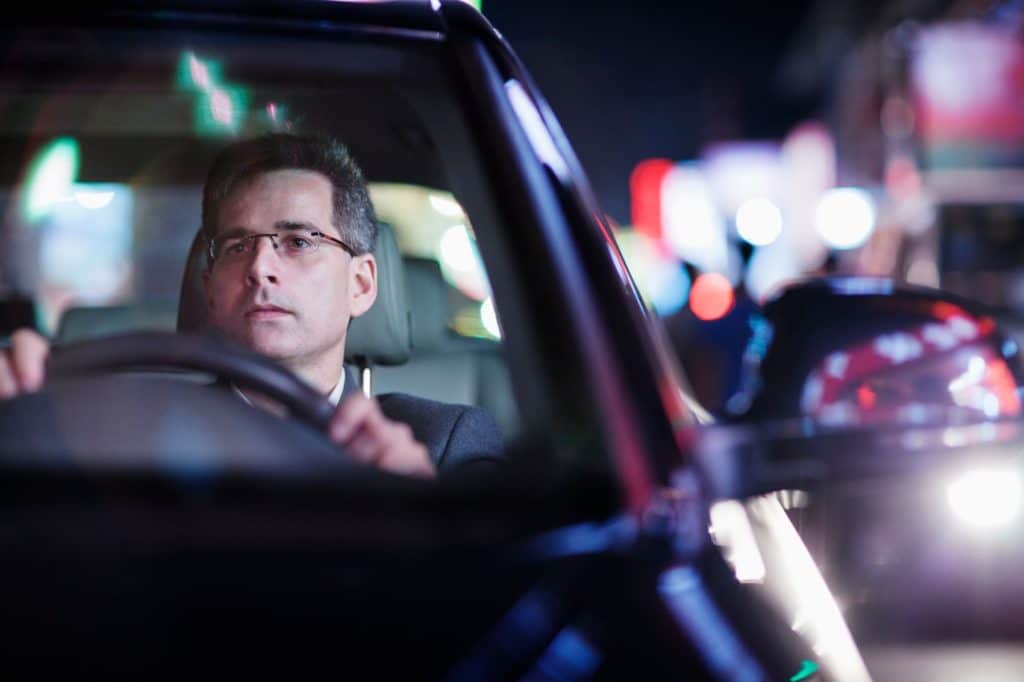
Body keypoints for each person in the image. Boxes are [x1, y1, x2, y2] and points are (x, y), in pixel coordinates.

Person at [0, 133, 502, 477]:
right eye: (237, 246)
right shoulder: (122, 433)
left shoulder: (442, 442)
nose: (260, 266)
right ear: (210, 289)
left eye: (299, 241)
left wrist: (423, 516)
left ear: (362, 283)